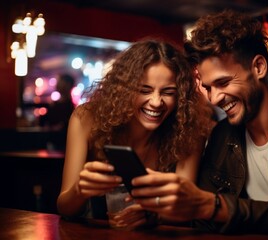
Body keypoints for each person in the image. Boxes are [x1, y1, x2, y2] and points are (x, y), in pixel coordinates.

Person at [129, 10, 268, 238]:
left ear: (259, 67)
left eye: (223, 82)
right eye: (208, 88)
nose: (214, 98)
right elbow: (203, 222)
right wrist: (156, 215)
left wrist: (211, 205)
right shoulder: (222, 135)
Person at [56, 39, 214, 229]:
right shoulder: (86, 119)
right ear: (123, 90)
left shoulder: (190, 129)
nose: (156, 102)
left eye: (168, 92)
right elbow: (64, 207)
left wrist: (153, 216)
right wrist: (80, 190)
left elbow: (185, 209)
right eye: (144, 90)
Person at [39, 73, 75, 150]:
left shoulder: (68, 106)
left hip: (60, 143)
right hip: (54, 141)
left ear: (67, 85)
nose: (57, 84)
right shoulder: (55, 104)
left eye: (60, 82)